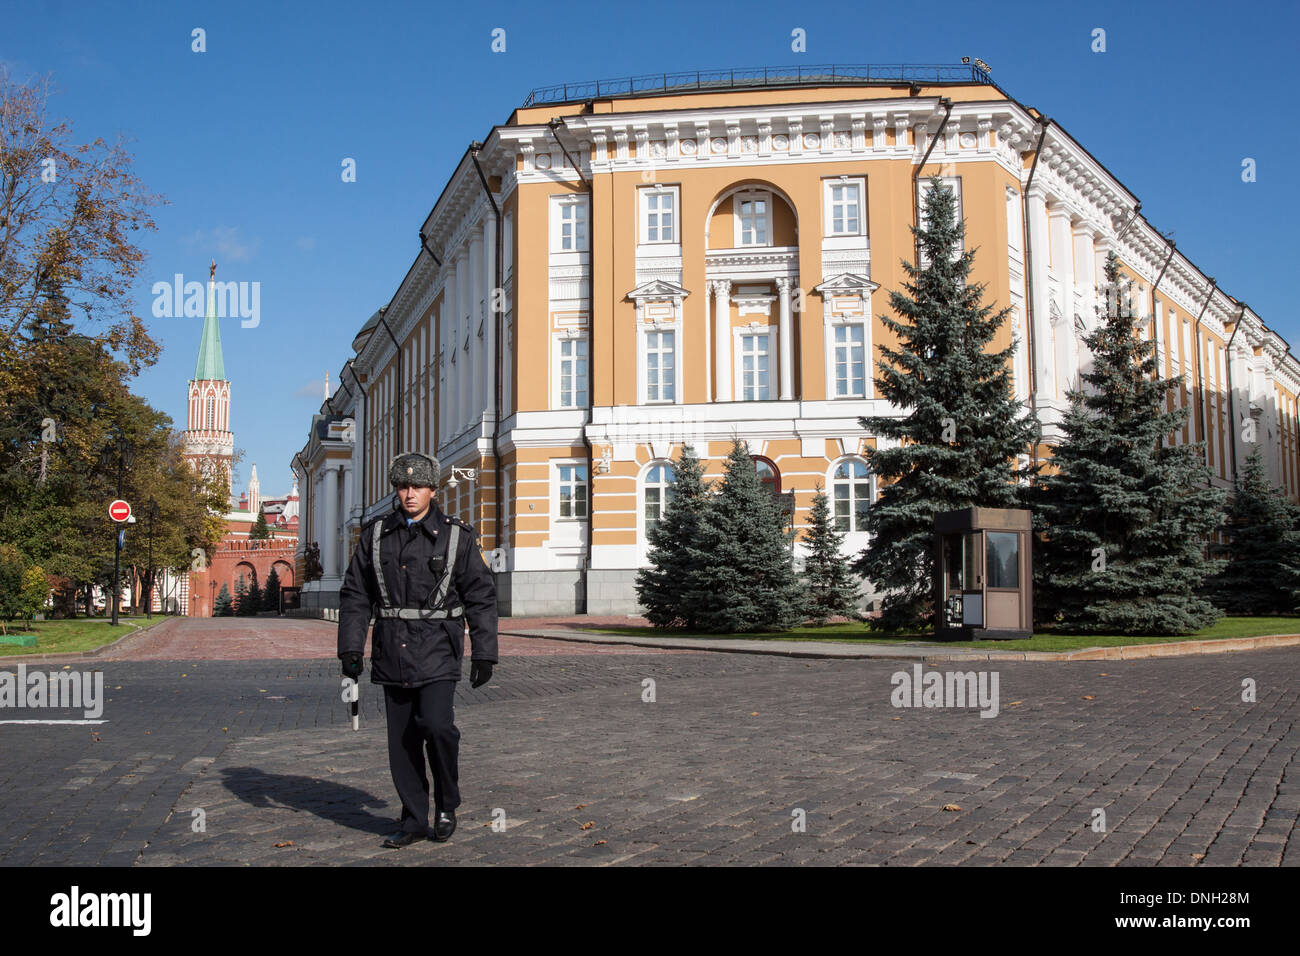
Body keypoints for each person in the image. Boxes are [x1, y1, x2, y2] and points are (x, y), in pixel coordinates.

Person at [337, 451, 498, 848]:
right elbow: (356, 594)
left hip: (439, 648)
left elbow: (481, 596)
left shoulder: (458, 536)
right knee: (404, 740)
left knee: (437, 727)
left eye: (418, 486)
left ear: (432, 489)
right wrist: (351, 648)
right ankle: (412, 819)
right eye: (403, 486)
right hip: (392, 648)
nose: (410, 493)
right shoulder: (375, 535)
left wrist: (484, 652)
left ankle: (446, 803)